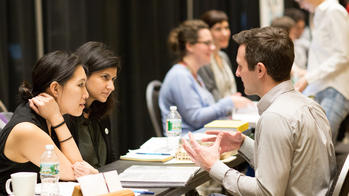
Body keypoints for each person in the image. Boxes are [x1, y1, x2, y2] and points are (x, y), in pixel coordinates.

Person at [182, 27, 336, 195]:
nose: (237, 73)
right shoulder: (311, 106)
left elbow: (266, 192)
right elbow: (286, 168)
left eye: (240, 66)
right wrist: (242, 144)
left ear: (260, 70)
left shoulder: (275, 118)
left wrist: (213, 166)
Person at [0, 51, 98, 194]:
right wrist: (57, 118)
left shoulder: (53, 117)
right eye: (80, 85)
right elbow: (75, 175)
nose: (86, 94)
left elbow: (79, 168)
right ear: (55, 89)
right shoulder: (27, 129)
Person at [159, 20, 251, 135]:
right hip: (186, 143)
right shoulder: (179, 75)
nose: (212, 48)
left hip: (199, 138)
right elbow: (195, 118)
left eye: (212, 42)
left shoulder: (194, 75)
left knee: (245, 130)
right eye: (207, 43)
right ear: (189, 46)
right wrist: (229, 102)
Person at [295, 0, 349, 144]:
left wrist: (308, 78)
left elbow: (343, 55)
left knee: (321, 146)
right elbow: (323, 56)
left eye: (300, 1)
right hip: (321, 87)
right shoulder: (320, 13)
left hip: (334, 88)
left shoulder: (334, 11)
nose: (301, 5)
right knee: (316, 146)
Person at [66, 41, 120, 168]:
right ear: (84, 74)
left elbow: (110, 162)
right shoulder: (65, 114)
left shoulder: (101, 110)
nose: (111, 87)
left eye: (113, 79)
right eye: (105, 77)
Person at [197, 10, 238, 101]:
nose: (225, 33)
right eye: (218, 29)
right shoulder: (204, 61)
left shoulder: (224, 57)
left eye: (226, 28)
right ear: (206, 32)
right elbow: (210, 96)